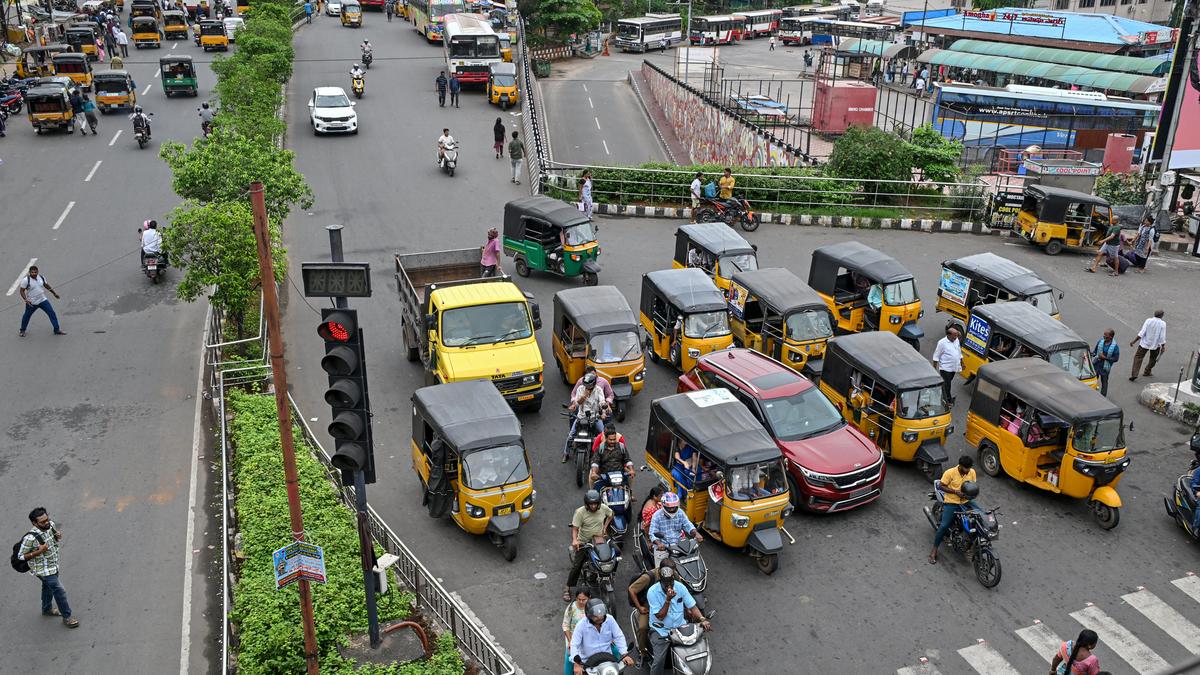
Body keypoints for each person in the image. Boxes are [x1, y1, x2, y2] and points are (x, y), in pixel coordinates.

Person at [16, 507, 78, 628]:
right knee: (59, 590)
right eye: (42, 522)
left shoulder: (51, 525)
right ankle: (67, 617)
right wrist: (38, 552)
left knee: (48, 587)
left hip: (53, 564)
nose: (47, 523)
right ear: (34, 523)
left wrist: (57, 537)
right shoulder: (30, 538)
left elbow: (54, 539)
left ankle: (46, 609)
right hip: (42, 570)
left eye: (47, 519)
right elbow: (20, 556)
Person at [647, 564, 709, 675]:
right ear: (660, 581)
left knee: (696, 651)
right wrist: (668, 600)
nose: (669, 586)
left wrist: (702, 619)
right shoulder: (652, 592)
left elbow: (692, 606)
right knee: (659, 660)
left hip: (680, 628)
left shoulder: (680, 587)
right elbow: (660, 616)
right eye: (666, 584)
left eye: (670, 583)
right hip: (661, 630)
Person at [565, 490, 613, 598]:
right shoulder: (580, 512)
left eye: (595, 503)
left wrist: (605, 528)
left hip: (598, 539)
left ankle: (611, 574)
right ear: (586, 504)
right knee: (577, 565)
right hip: (584, 541)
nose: (593, 506)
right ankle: (567, 588)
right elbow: (575, 528)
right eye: (591, 504)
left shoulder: (603, 508)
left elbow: (611, 515)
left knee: (615, 554)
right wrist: (575, 540)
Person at [928, 455, 976, 565]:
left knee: (980, 514)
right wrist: (955, 492)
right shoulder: (950, 473)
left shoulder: (972, 472)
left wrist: (971, 495)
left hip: (966, 501)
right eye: (966, 468)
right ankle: (934, 550)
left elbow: (972, 486)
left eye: (969, 468)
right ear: (960, 466)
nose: (968, 471)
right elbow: (941, 486)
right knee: (944, 526)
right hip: (952, 501)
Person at [628, 558, 676, 665]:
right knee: (643, 627)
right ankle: (643, 652)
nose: (673, 574)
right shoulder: (649, 577)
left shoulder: (673, 574)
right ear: (661, 571)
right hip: (649, 605)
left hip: (668, 602)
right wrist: (640, 607)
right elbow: (632, 589)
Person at [569, 598, 635, 674]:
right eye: (595, 616)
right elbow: (574, 644)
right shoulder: (581, 625)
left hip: (608, 660)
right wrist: (576, 664)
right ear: (588, 615)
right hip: (587, 663)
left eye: (602, 615)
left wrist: (624, 654)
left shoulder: (610, 619)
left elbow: (618, 636)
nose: (600, 618)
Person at [564, 372, 610, 462]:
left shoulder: (599, 390)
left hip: (594, 417)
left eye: (588, 386)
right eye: (585, 385)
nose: (586, 387)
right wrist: (584, 395)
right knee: (571, 436)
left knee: (604, 435)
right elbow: (577, 403)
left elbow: (602, 402)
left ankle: (605, 456)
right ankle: (566, 453)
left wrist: (603, 412)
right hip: (581, 417)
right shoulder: (581, 389)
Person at [649, 492, 701, 565]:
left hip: (679, 544)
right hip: (664, 547)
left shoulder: (680, 512)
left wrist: (696, 533)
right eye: (669, 508)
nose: (672, 509)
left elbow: (687, 525)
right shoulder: (656, 516)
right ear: (664, 506)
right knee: (662, 571)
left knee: (693, 561)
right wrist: (659, 544)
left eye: (674, 507)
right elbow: (652, 533)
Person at [18, 266, 65, 337]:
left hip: (43, 300)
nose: (34, 273)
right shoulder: (26, 280)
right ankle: (22, 330)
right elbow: (21, 291)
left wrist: (54, 293)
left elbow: (46, 285)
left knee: (52, 313)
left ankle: (57, 330)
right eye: (32, 272)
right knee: (26, 316)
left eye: (35, 272)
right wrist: (26, 300)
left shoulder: (41, 277)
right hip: (32, 302)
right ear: (29, 272)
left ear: (38, 272)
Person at [1129, 309, 1166, 382]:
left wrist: (1134, 341)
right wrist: (1163, 346)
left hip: (1144, 344)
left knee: (1138, 357)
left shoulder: (1148, 320)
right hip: (1156, 345)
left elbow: (1142, 333)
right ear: (1161, 315)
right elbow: (1162, 337)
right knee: (1153, 358)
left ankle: (1134, 374)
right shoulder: (1162, 324)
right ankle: (1147, 371)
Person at [562, 588, 590, 675]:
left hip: (590, 637)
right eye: (579, 599)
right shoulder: (571, 608)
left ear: (589, 598)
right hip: (573, 637)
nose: (581, 602)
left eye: (584, 599)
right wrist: (570, 641)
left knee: (613, 649)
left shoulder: (593, 607)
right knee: (569, 656)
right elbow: (565, 625)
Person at [931, 326, 963, 404]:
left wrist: (962, 362)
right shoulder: (942, 343)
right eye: (954, 335)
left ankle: (941, 393)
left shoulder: (956, 340)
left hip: (954, 367)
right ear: (948, 335)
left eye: (956, 335)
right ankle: (948, 401)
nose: (956, 337)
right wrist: (933, 370)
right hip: (945, 368)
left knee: (947, 383)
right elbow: (936, 357)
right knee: (947, 385)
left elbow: (959, 351)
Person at [1090, 329, 1119, 397]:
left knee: (1104, 382)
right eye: (1104, 334)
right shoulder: (1100, 342)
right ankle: (1091, 394)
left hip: (1105, 368)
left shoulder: (1115, 347)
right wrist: (1090, 354)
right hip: (1096, 365)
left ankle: (1103, 398)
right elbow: (1095, 352)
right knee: (1093, 380)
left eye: (1105, 335)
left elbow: (1116, 359)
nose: (1103, 336)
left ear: (1111, 337)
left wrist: (1105, 358)